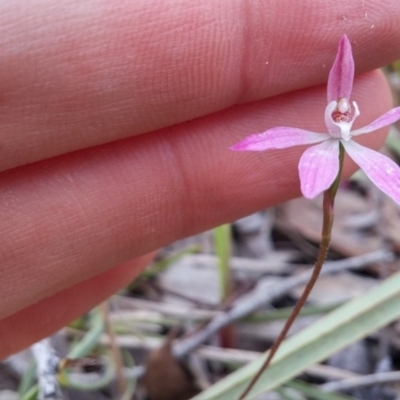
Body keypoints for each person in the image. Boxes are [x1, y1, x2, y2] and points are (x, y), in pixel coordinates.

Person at [1, 0, 400, 359]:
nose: (343, 111)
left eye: (346, 109)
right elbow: (262, 146)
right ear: (332, 110)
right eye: (338, 107)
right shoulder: (312, 144)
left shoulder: (365, 154)